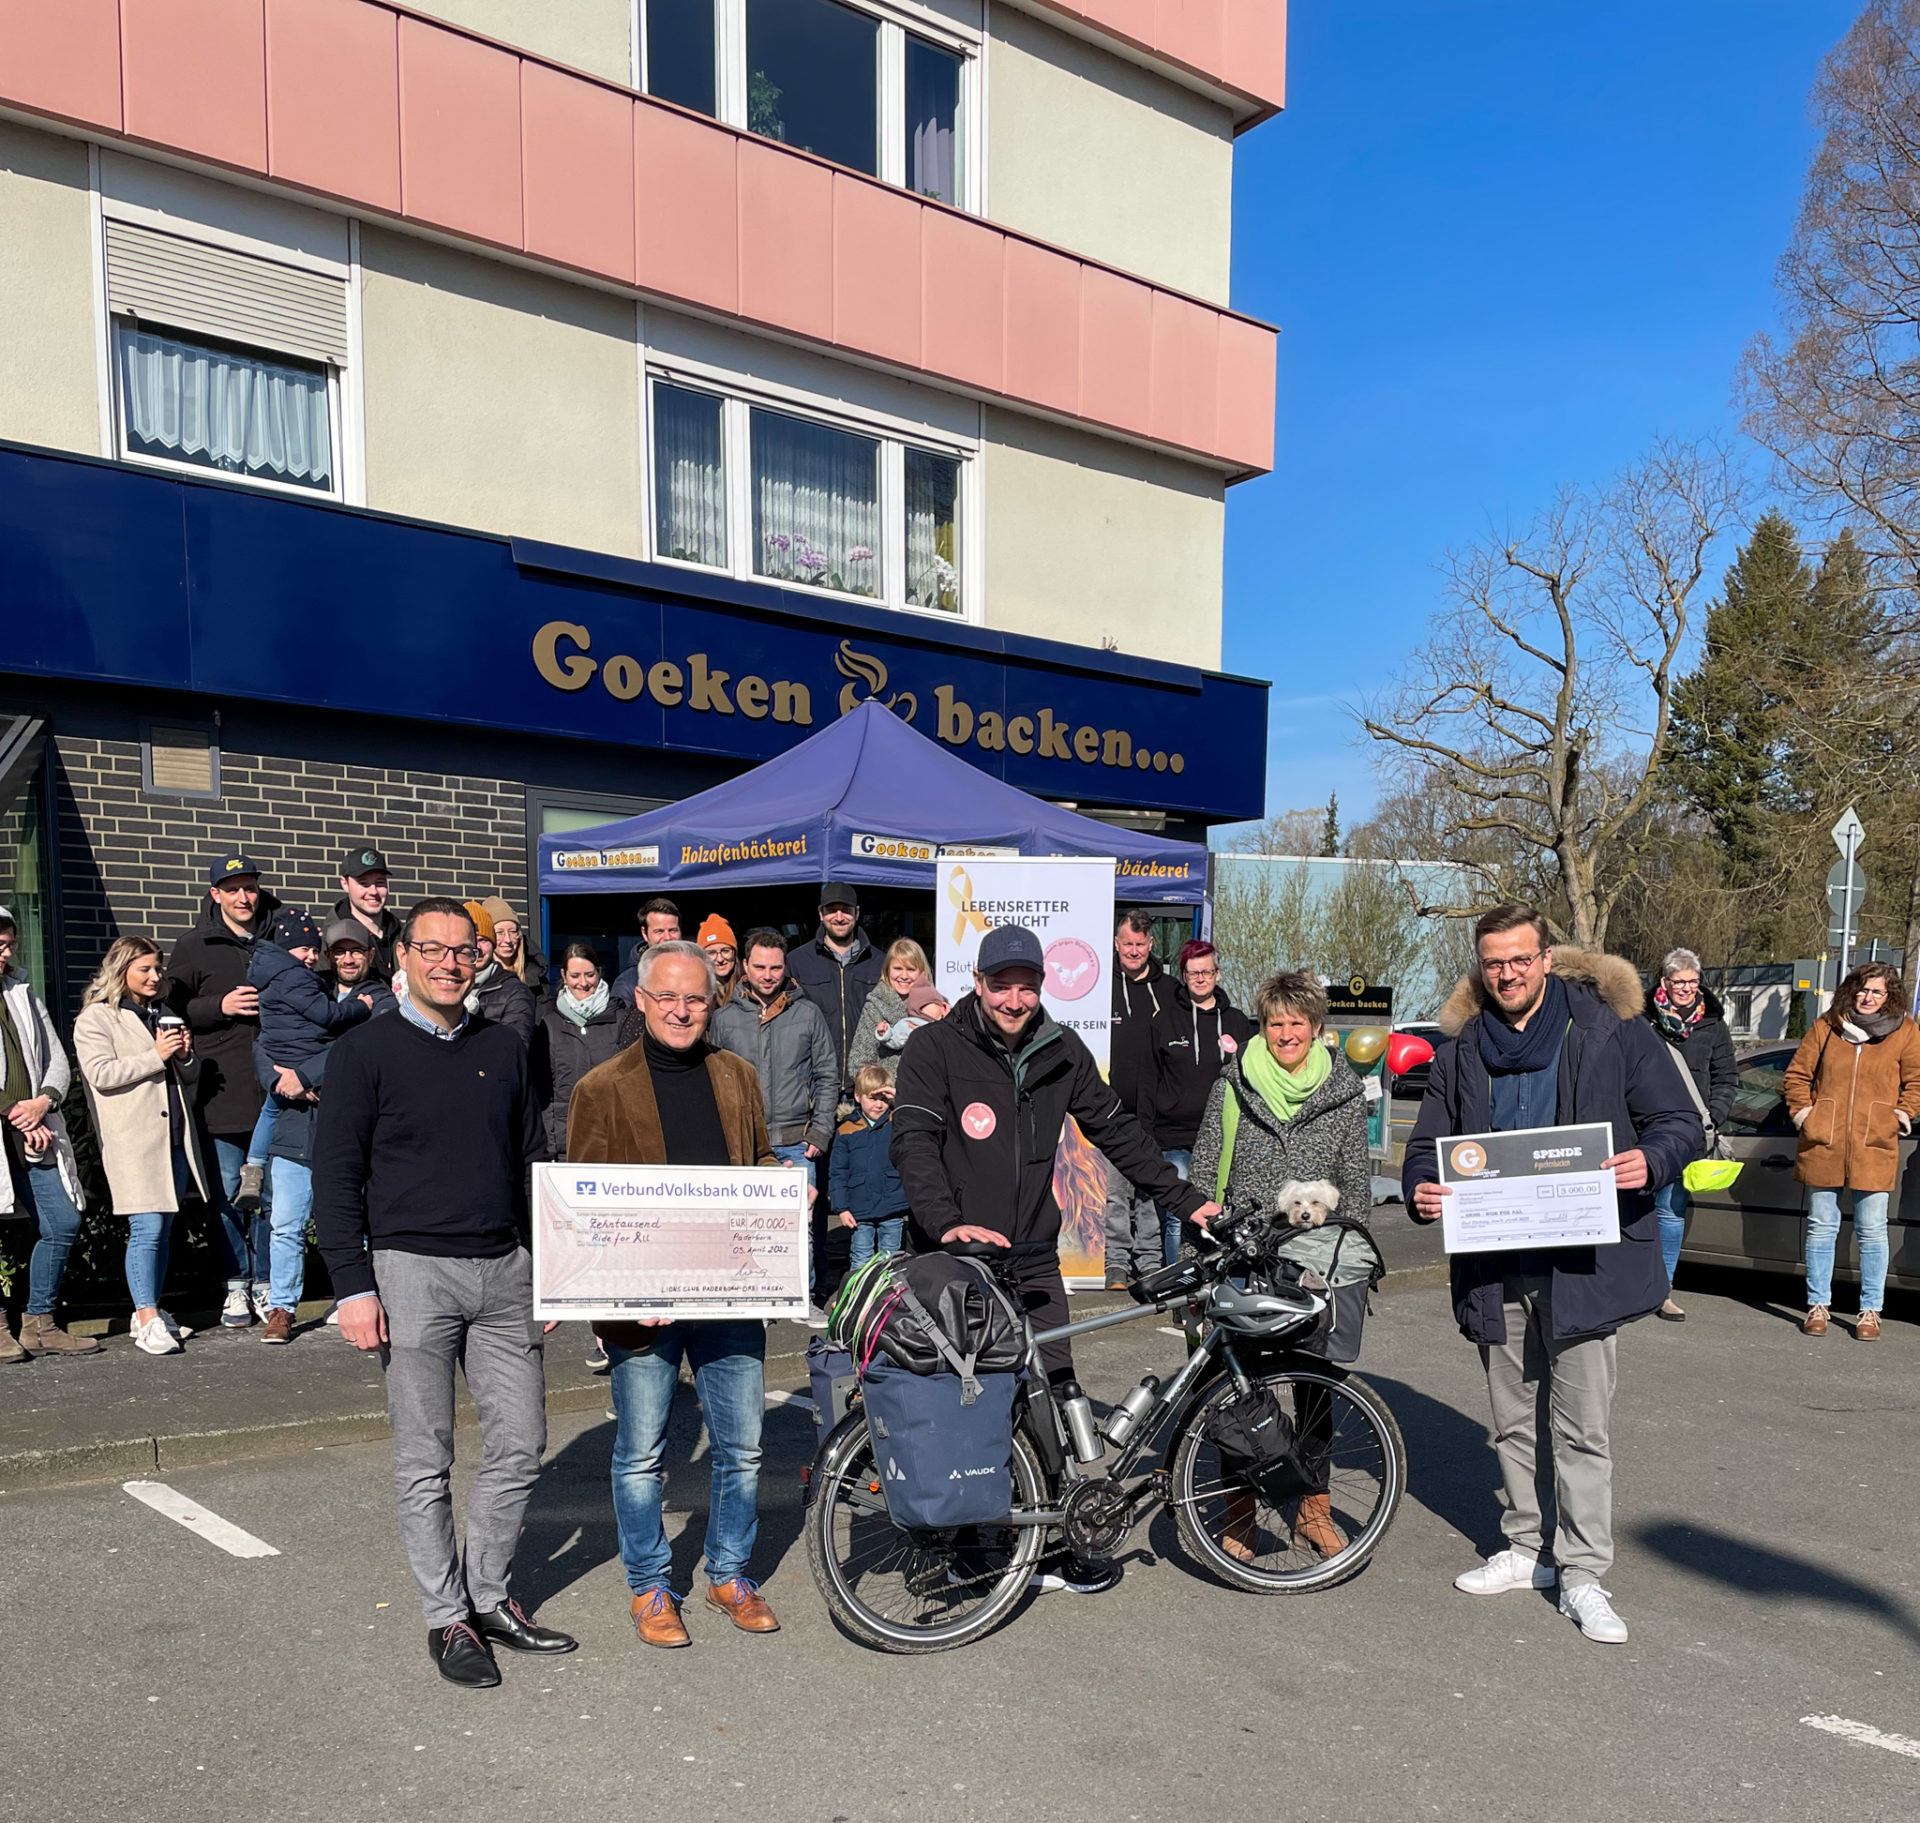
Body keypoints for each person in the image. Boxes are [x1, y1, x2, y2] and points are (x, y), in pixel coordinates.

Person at [891, 922, 1219, 1595]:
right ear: (977, 984)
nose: (1014, 998)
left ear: (1041, 985)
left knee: (1055, 1397)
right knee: (961, 1404)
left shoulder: (1060, 1048)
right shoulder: (934, 1048)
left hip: (1034, 1256)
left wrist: (1187, 1201)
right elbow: (913, 1143)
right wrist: (947, 1225)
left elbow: (1118, 1131)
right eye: (1001, 984)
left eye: (1027, 984)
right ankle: (963, 1545)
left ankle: (1053, 1541)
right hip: (954, 1258)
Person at [1402, 904, 1699, 1646]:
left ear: (1546, 959)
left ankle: (1583, 1571)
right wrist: (1419, 1187)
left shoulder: (1611, 1029)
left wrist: (1652, 1160)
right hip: (1494, 1261)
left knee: (1582, 1428)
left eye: (1519, 959)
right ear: (1482, 965)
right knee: (1509, 1422)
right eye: (1493, 961)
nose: (1506, 973)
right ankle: (1526, 1548)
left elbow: (1678, 1123)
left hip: (1584, 1264)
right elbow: (1426, 1144)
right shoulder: (1462, 1047)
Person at [313, 899, 573, 1689]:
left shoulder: (503, 1044)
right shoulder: (362, 1052)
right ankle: (446, 1616)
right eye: (434, 949)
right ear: (407, 955)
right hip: (409, 1270)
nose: (451, 963)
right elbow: (336, 1179)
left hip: (505, 1269)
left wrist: (555, 1265)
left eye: (464, 951)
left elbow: (531, 1160)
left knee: (521, 1444)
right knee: (426, 1457)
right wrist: (353, 1287)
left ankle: (489, 1594)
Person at [566, 939, 782, 1647]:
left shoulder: (738, 1075)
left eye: (696, 997)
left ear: (713, 1001)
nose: (683, 1009)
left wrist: (785, 1208)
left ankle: (726, 1572)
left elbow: (758, 1167)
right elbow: (588, 1210)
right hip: (646, 1301)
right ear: (642, 999)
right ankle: (651, 1586)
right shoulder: (601, 1087)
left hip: (727, 1296)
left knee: (743, 1446)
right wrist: (618, 1300)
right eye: (669, 997)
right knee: (641, 1453)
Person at [1191, 970, 1376, 1561]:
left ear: (1317, 1028)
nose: (1287, 1033)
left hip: (1316, 1266)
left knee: (1315, 1386)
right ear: (1263, 1028)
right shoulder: (1232, 1085)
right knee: (1236, 1390)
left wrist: (1352, 1258)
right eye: (1276, 1023)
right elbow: (1203, 1171)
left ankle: (1312, 1509)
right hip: (1244, 1258)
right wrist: (1205, 1251)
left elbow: (1357, 1186)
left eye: (1298, 1023)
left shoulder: (1344, 1094)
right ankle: (1240, 1512)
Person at [74, 937, 215, 1357]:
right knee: (147, 1228)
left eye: (158, 969)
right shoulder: (97, 1019)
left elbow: (184, 1083)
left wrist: (185, 1058)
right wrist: (156, 1054)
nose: (156, 977)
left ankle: (147, 1313)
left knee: (165, 1228)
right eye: (145, 970)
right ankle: (148, 1314)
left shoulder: (164, 1015)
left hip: (172, 1138)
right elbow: (101, 1074)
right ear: (120, 972)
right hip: (133, 1140)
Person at [248, 909, 379, 1343]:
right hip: (293, 1127)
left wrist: (303, 1075)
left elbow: (357, 1049)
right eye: (338, 951)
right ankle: (282, 1308)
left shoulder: (380, 998)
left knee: (351, 1222)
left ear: (370, 954)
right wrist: (277, 1079)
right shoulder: (307, 986)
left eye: (355, 950)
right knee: (284, 1223)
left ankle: (355, 1299)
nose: (346, 958)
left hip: (344, 1131)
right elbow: (263, 1041)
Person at [165, 851, 279, 1329]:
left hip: (276, 1092)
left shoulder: (280, 937)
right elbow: (170, 1007)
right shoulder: (194, 945)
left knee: (276, 1197)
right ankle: (236, 1285)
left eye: (249, 887)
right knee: (228, 1195)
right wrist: (220, 1005)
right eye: (231, 889)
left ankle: (271, 1284)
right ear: (215, 895)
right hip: (221, 1092)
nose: (242, 897)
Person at [1783, 961, 1920, 1341]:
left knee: (1873, 1231)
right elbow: (1796, 1075)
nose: (1868, 997)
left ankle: (1870, 1312)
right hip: (1823, 1142)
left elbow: (1917, 1081)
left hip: (1874, 1144)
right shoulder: (1827, 1026)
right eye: (1862, 989)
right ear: (1851, 990)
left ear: (1889, 995)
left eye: (1877, 991)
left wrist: (1900, 1114)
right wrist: (1805, 1113)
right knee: (1821, 1227)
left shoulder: (1906, 1031)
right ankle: (1818, 1306)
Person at [710, 929, 838, 1313]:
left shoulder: (807, 1013)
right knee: (743, 1225)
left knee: (800, 1226)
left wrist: (821, 1129)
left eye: (776, 967)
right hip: (742, 1141)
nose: (768, 975)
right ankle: (752, 1300)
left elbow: (828, 1074)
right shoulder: (724, 1018)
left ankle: (799, 1298)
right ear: (745, 966)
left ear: (786, 968)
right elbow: (712, 1078)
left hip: (796, 1139)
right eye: (760, 966)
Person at [0, 909, 99, 1361]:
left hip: (33, 1126)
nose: (6, 953)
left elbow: (57, 1058)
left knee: (61, 1220)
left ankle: (39, 1323)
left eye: (9, 944)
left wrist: (41, 1103)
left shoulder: (21, 991)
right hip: (17, 1126)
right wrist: (17, 1114)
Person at [1643, 948, 1736, 1322]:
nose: (1686, 988)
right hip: (1643, 1130)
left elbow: (1727, 1078)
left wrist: (1713, 1117)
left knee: (1670, 1211)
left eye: (1692, 981)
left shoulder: (1713, 1024)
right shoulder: (1641, 1019)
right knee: (1633, 1210)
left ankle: (1662, 1291)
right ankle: (1630, 1285)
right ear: (1665, 983)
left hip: (1687, 1133)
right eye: (1679, 981)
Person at [1150, 938, 1254, 1266]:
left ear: (1217, 974)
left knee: (1224, 1215)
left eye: (1206, 972)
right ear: (1183, 975)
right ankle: (1180, 1291)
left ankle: (1219, 1284)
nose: (1200, 979)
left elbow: (1250, 1079)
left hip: (1225, 1138)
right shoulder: (1163, 1020)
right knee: (1177, 1218)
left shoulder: (1237, 1022)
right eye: (1193, 973)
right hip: (1174, 1137)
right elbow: (1148, 1080)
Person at [1104, 910, 1170, 1287]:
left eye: (1140, 944)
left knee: (1149, 1192)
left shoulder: (1168, 989)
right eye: (1127, 943)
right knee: (1115, 1193)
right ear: (1117, 944)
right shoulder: (1101, 986)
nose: (1133, 951)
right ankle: (1116, 1262)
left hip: (1154, 1111)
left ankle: (1149, 1261)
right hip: (1111, 1111)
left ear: (1150, 945)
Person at [787, 883, 883, 1094]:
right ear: (821, 914)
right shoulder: (797, 962)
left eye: (846, 910)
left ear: (857, 913)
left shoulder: (880, 962)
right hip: (814, 1086)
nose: (839, 917)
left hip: (866, 1088)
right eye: (831, 910)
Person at [532, 943, 625, 1156]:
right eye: (575, 975)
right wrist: (550, 1143)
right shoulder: (548, 1023)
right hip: (565, 1145)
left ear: (599, 973)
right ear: (564, 976)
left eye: (589, 974)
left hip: (612, 1142)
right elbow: (542, 1092)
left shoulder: (620, 1019)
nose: (583, 983)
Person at [830, 1063, 909, 1269]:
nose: (879, 1104)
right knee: (861, 1259)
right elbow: (838, 1172)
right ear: (858, 1097)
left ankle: (888, 1300)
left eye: (883, 1099)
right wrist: (841, 1208)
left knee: (890, 1261)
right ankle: (859, 1299)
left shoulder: (898, 1121)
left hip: (891, 1204)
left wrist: (898, 1096)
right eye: (872, 1098)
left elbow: (913, 1111)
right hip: (859, 1209)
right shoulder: (846, 1129)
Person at [846, 938, 933, 1079]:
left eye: (911, 969)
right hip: (884, 1095)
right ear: (887, 970)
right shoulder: (874, 1006)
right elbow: (858, 1064)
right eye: (898, 968)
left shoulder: (934, 1006)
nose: (904, 976)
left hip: (925, 1094)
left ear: (922, 972)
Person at [464, 900, 537, 1045]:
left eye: (483, 940)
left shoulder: (514, 991)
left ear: (492, 944)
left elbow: (513, 1049)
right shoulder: (444, 986)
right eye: (471, 940)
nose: (477, 948)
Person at [333, 847, 403, 982]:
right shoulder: (332, 940)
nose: (373, 891)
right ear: (345, 884)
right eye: (363, 883)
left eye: (380, 883)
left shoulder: (402, 934)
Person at [610, 898, 683, 1007]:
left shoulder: (696, 971)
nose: (667, 937)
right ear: (644, 933)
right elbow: (621, 1022)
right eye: (659, 931)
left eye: (673, 930)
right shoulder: (628, 983)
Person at [480, 895, 546, 992]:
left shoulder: (536, 975)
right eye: (500, 933)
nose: (508, 940)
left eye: (512, 931)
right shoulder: (478, 980)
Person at [696, 914, 741, 1007]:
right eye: (711, 953)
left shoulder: (749, 986)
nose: (720, 959)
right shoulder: (696, 990)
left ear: (734, 953)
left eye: (725, 951)